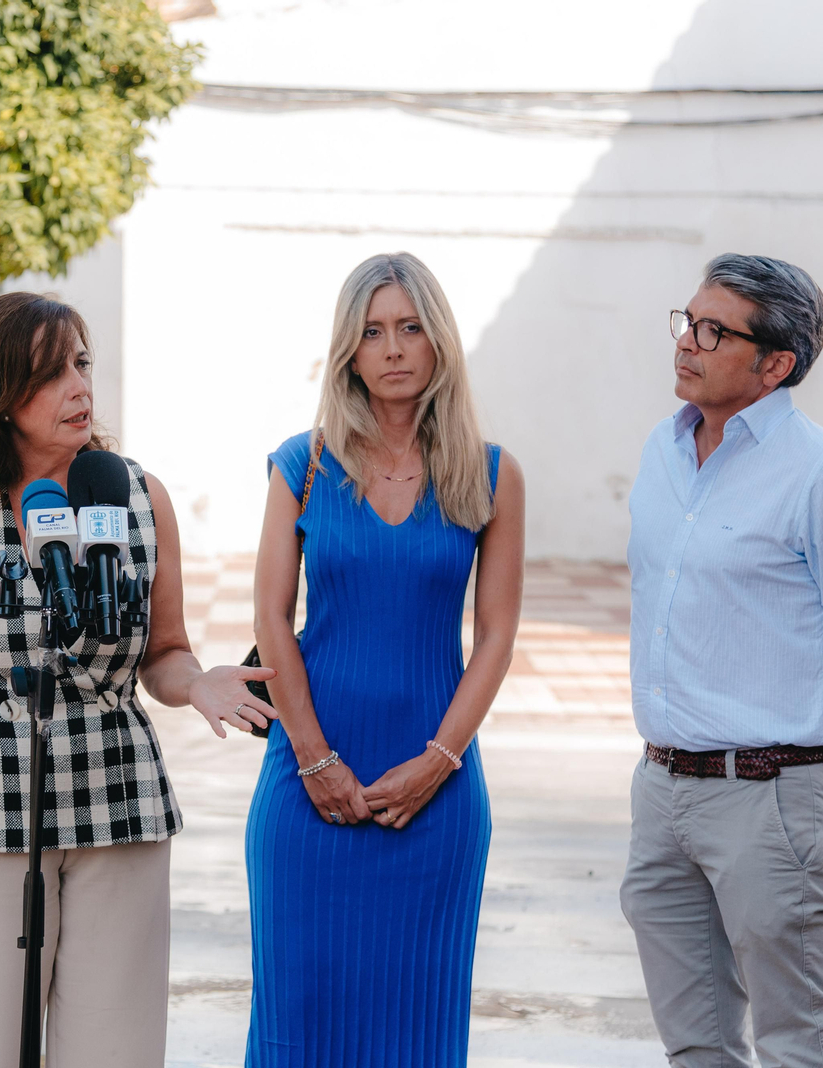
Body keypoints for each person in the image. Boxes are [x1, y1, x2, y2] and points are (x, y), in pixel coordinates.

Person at [0, 291, 276, 1067]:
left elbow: (165, 650)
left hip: (117, 796)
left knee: (115, 1053)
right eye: (49, 374)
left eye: (82, 365)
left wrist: (196, 684)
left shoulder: (138, 497)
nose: (80, 388)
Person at [621, 254, 823, 1067]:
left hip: (774, 798)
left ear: (776, 365)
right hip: (662, 792)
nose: (686, 342)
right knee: (696, 1045)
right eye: (686, 321)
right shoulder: (662, 449)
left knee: (797, 1044)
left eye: (714, 330)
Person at [246, 252, 525, 1066]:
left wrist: (441, 760)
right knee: (298, 1029)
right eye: (372, 332)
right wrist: (314, 758)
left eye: (410, 328)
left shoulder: (491, 473)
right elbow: (270, 616)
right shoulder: (302, 465)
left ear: (438, 342)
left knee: (417, 1034)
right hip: (307, 785)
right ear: (349, 351)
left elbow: (497, 635)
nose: (394, 348)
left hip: (434, 794)